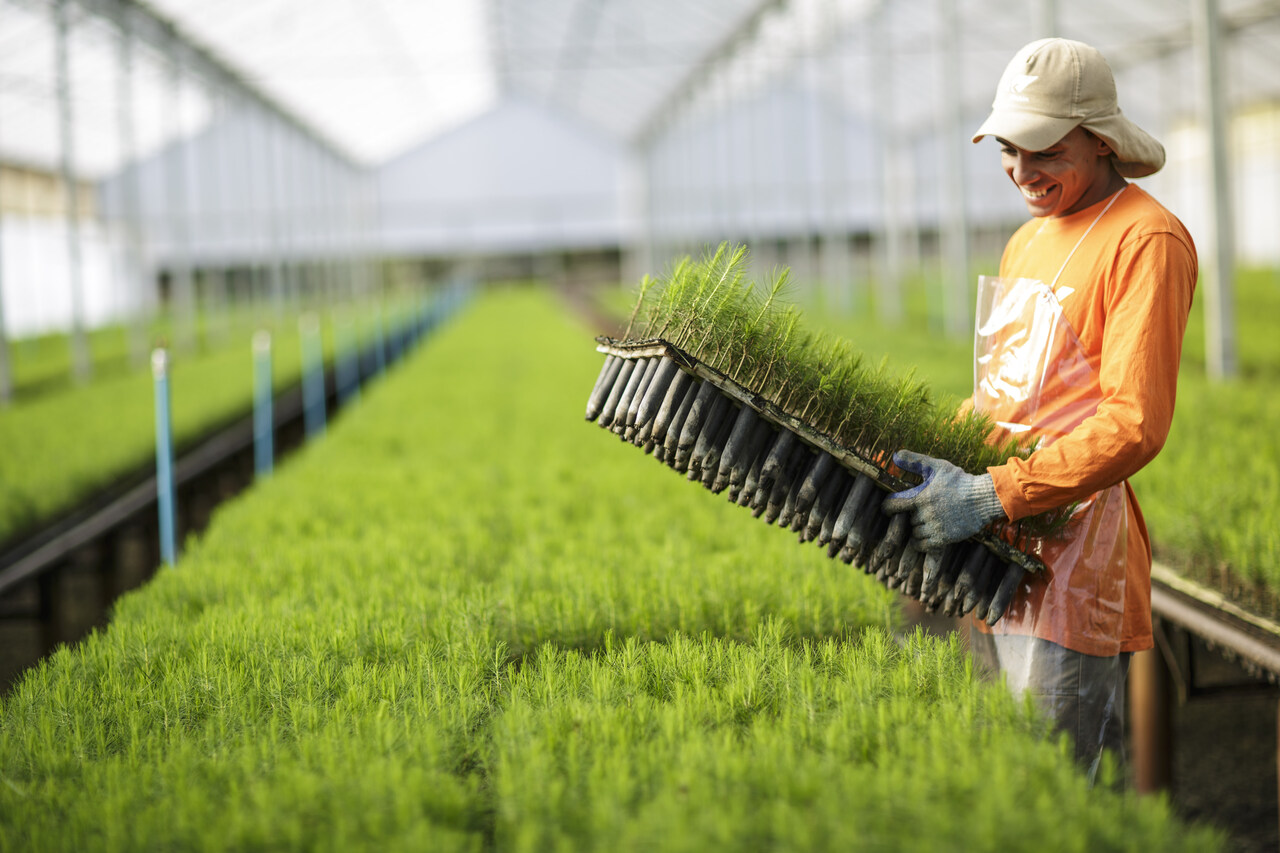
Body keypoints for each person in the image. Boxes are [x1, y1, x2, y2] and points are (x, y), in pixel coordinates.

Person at [882, 37, 1197, 780]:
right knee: (1009, 780)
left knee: (1059, 787)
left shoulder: (1145, 240)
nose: (1021, 171)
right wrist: (935, 447)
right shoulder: (1027, 241)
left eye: (1044, 150)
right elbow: (1010, 395)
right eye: (1006, 149)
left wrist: (994, 492)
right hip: (999, 548)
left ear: (1099, 138)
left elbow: (1132, 423)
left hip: (1075, 557)